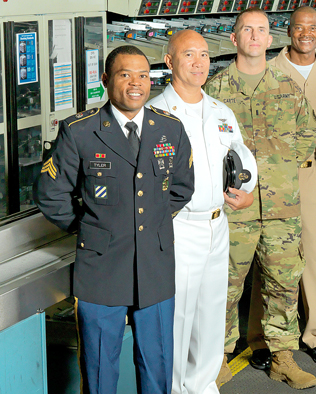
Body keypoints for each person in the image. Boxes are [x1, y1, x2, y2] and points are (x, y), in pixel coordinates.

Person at [34, 45, 195, 394]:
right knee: (99, 367)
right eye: (125, 75)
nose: (136, 83)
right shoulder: (80, 131)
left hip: (154, 266)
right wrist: (88, 228)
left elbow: (182, 189)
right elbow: (51, 193)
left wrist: (149, 225)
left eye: (143, 76)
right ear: (106, 79)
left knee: (157, 364)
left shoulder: (169, 130)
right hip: (101, 267)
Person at [204, 7, 316, 390]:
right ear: (234, 39)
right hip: (232, 209)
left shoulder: (289, 87)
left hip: (280, 209)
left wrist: (268, 164)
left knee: (284, 284)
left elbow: (308, 136)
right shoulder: (215, 91)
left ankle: (282, 357)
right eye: (246, 30)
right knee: (224, 285)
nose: (255, 36)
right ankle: (216, 357)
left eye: (262, 30)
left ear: (271, 41)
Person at [147, 30, 257, 394]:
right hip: (178, 227)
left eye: (205, 55)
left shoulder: (220, 111)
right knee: (178, 316)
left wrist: (247, 192)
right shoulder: (154, 114)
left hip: (216, 224)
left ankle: (204, 385)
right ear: (169, 61)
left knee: (212, 313)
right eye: (189, 55)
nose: (199, 63)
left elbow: (241, 158)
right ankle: (175, 388)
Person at [246, 5, 316, 367]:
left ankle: (315, 335)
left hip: (314, 174)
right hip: (273, 175)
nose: (306, 33)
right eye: (299, 28)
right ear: (288, 31)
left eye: (313, 28)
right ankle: (261, 338)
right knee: (270, 256)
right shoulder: (268, 68)